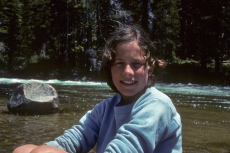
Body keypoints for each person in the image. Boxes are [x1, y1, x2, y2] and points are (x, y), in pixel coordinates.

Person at [13, 25, 182, 153]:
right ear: (110, 68)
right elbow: (75, 138)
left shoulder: (157, 105)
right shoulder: (106, 107)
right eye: (119, 64)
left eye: (136, 64)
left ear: (150, 68)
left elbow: (127, 148)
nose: (127, 72)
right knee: (24, 150)